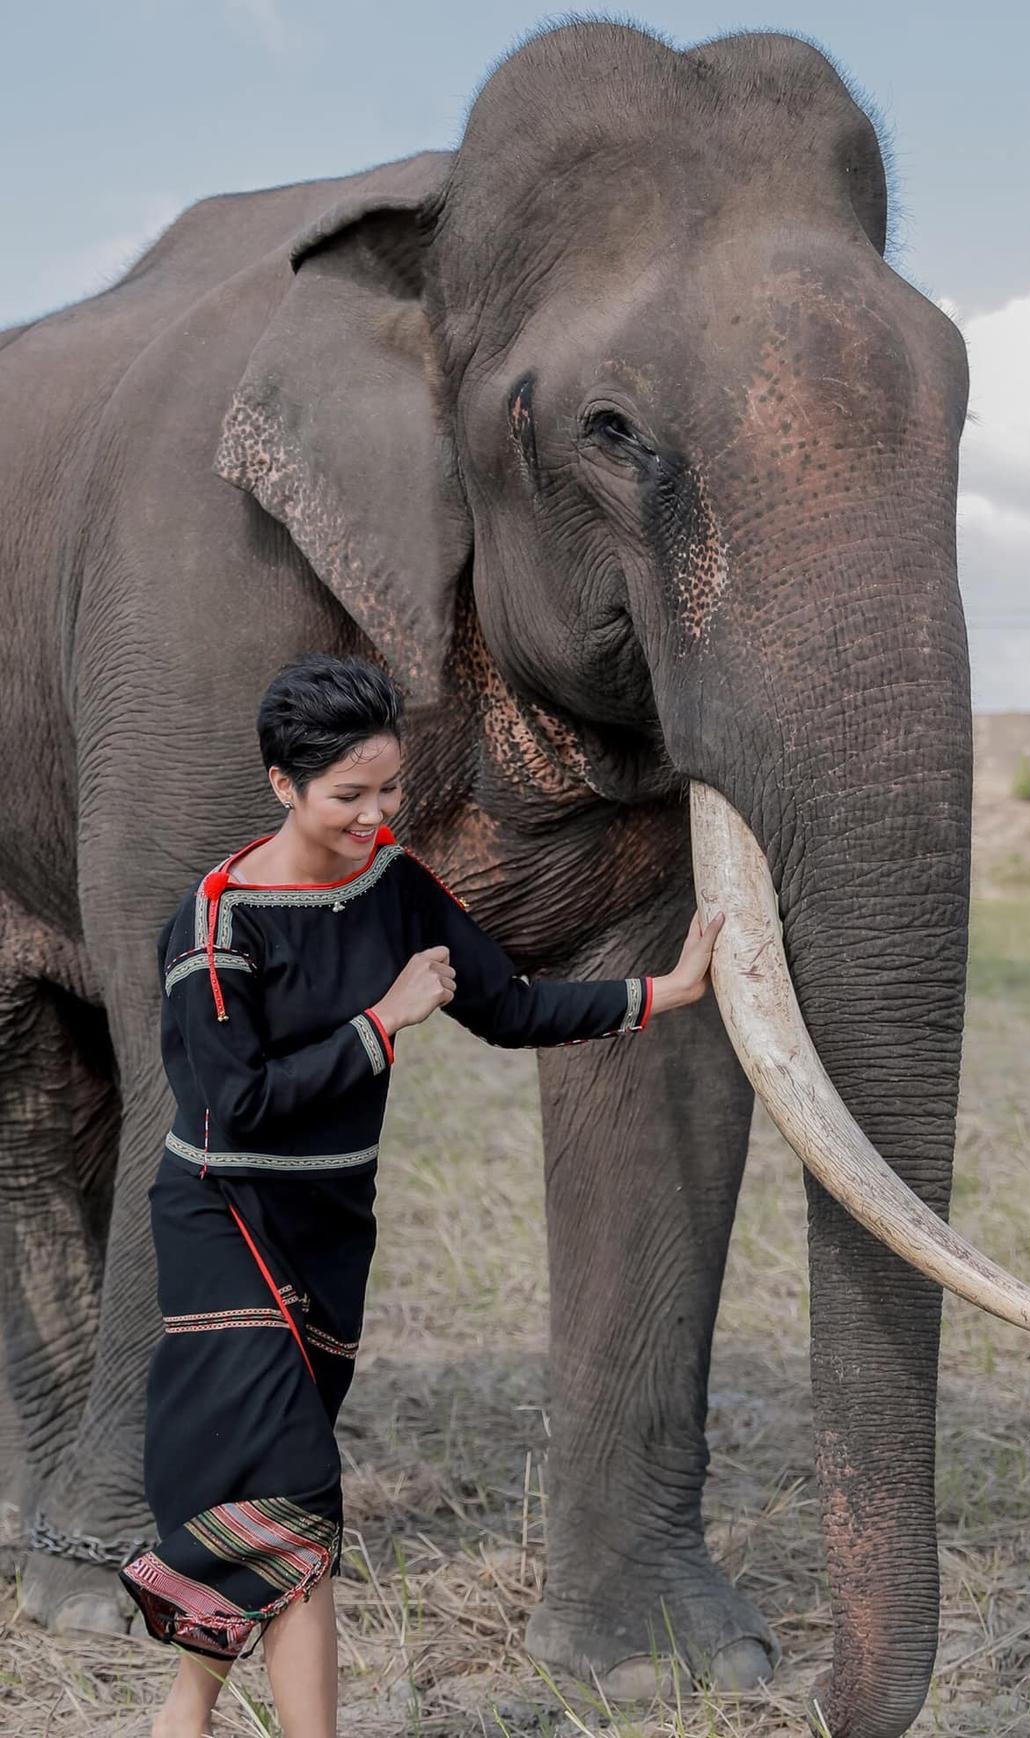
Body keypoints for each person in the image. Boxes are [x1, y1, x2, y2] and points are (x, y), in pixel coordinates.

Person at [120, 653, 725, 1738]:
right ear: (282, 785)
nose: (376, 812)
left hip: (332, 1229)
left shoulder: (394, 885)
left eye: (388, 787)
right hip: (227, 1220)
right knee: (300, 1493)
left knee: (266, 1497)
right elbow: (240, 1105)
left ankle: (185, 1709)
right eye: (349, 793)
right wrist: (382, 1020)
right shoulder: (216, 923)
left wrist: (661, 991)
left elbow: (507, 1005)